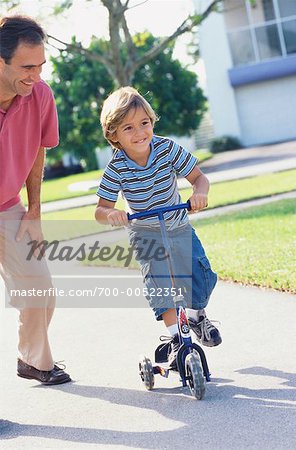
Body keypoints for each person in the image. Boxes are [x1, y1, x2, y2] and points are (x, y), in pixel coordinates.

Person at [95, 86, 221, 369]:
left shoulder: (166, 149)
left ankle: (197, 316)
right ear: (114, 135)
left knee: (200, 276)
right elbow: (100, 210)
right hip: (145, 233)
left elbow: (199, 178)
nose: (140, 132)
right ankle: (176, 338)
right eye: (128, 127)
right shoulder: (116, 168)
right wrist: (112, 214)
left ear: (152, 122)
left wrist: (200, 194)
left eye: (144, 123)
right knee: (160, 284)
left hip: (178, 226)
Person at [0, 15, 71, 384]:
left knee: (39, 289)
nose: (36, 76)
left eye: (41, 66)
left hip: (9, 206)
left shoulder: (39, 95)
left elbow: (38, 148)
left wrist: (35, 208)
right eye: (27, 67)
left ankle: (32, 360)